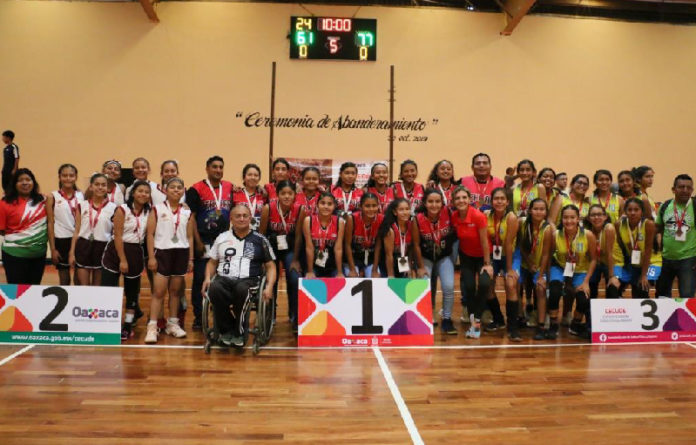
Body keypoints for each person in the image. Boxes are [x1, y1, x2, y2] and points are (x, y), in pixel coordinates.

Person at [202, 205, 277, 347]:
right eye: (238, 216)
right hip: (224, 278)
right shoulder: (222, 237)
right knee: (214, 288)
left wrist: (269, 286)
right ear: (231, 219)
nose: (241, 218)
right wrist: (207, 279)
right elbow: (212, 263)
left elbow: (271, 266)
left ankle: (239, 332)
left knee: (242, 290)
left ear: (250, 218)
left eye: (245, 215)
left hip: (249, 280)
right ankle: (227, 329)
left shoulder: (260, 239)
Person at [186, 155, 234, 330]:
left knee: (222, 278)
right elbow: (190, 218)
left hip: (224, 240)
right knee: (200, 278)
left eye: (221, 167)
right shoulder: (196, 189)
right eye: (214, 167)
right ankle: (199, 316)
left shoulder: (229, 187)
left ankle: (219, 314)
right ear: (207, 168)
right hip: (204, 240)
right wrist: (197, 241)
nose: (218, 170)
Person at [145, 177, 194, 343]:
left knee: (175, 292)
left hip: (181, 252)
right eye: (172, 187)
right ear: (165, 190)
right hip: (162, 252)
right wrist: (151, 256)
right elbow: (149, 234)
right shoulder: (157, 209)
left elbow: (189, 236)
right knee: (158, 292)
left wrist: (191, 258)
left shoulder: (187, 211)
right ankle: (152, 327)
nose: (176, 190)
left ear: (183, 191)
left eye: (179, 188)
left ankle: (173, 323)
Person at [101, 180, 151, 340]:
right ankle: (110, 324)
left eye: (146, 192)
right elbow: (117, 236)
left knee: (132, 293)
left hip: (136, 252)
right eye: (140, 191)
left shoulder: (149, 212)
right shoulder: (122, 209)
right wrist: (122, 259)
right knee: (110, 290)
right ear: (133, 193)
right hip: (116, 252)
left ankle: (128, 325)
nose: (143, 194)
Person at [259, 180, 304, 330]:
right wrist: (263, 258)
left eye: (290, 193)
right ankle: (270, 314)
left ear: (295, 195)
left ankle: (294, 314)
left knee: (294, 278)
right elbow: (262, 235)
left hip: (290, 248)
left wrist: (296, 259)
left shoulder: (300, 209)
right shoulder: (268, 208)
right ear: (277, 195)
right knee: (272, 279)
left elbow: (298, 236)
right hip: (271, 248)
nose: (286, 196)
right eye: (283, 193)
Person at [548, 205, 597, 340]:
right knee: (554, 291)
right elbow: (549, 255)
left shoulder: (588, 235)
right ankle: (553, 325)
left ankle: (575, 325)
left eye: (572, 217)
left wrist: (586, 281)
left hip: (580, 270)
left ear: (578, 219)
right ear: (561, 219)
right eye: (565, 218)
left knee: (583, 298)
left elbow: (593, 260)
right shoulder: (555, 235)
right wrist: (545, 276)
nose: (569, 221)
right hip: (559, 267)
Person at [412, 189, 457, 334]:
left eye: (437, 201)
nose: (434, 205)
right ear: (424, 203)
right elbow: (416, 245)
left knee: (449, 286)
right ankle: (424, 317)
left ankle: (447, 319)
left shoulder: (449, 213)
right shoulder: (417, 219)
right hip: (426, 258)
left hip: (444, 257)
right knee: (423, 283)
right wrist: (419, 266)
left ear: (442, 203)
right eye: (430, 201)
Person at [451, 186, 493, 339]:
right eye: (457, 198)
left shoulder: (478, 216)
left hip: (483, 257)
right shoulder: (454, 217)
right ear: (454, 201)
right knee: (468, 288)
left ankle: (477, 322)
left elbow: (484, 242)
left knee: (483, 285)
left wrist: (487, 264)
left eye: (464, 197)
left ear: (469, 199)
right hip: (467, 257)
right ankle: (473, 322)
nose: (461, 200)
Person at [484, 188, 522, 341]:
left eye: (502, 199)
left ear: (507, 202)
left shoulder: (512, 217)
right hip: (495, 255)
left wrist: (509, 269)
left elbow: (507, 244)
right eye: (496, 198)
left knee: (510, 283)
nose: (499, 201)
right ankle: (498, 319)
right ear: (491, 201)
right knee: (486, 283)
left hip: (511, 255)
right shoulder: (487, 215)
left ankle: (513, 327)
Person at [0, 168, 47, 284]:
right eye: (20, 180)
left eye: (28, 179)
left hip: (38, 255)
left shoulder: (44, 201)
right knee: (16, 293)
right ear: (15, 184)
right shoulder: (4, 203)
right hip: (13, 255)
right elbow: (1, 230)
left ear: (33, 183)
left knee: (33, 291)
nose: (25, 183)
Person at [69, 173, 117, 285]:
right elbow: (76, 231)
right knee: (84, 286)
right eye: (97, 184)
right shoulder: (82, 205)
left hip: (103, 247)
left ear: (107, 188)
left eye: (103, 185)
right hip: (83, 246)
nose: (100, 187)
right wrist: (71, 253)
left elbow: (115, 233)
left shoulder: (113, 208)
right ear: (91, 187)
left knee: (97, 288)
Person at [517, 198, 553, 340]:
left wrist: (540, 275)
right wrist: (528, 262)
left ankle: (541, 324)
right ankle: (520, 317)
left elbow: (545, 255)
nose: (538, 212)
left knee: (540, 287)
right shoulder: (523, 224)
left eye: (542, 209)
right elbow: (520, 246)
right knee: (515, 283)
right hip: (525, 263)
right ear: (530, 210)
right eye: (536, 209)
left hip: (540, 266)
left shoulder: (548, 229)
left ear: (546, 212)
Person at [656, 174, 696, 297]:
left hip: (688, 259)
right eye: (681, 187)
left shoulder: (695, 206)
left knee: (687, 296)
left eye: (689, 188)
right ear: (673, 189)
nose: (685, 190)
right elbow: (659, 228)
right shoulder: (665, 206)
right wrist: (658, 249)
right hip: (665, 259)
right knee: (662, 295)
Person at [613, 198, 659, 298]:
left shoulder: (648, 224)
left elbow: (648, 252)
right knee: (614, 286)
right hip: (633, 262)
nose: (633, 213)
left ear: (642, 212)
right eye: (629, 210)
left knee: (642, 286)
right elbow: (620, 247)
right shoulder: (618, 225)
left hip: (651, 262)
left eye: (636, 210)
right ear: (625, 212)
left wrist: (643, 275)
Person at [46, 164, 83, 285]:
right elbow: (50, 223)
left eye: (71, 175)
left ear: (76, 177)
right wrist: (52, 248)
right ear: (59, 177)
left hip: (79, 239)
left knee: (79, 278)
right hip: (61, 239)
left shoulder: (81, 195)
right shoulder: (52, 196)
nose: (68, 178)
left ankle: (78, 303)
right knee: (64, 279)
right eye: (64, 175)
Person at [303, 192, 345, 278]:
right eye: (322, 203)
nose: (326, 206)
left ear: (334, 206)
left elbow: (338, 248)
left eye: (329, 204)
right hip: (314, 264)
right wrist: (310, 271)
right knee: (311, 284)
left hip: (332, 264)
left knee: (339, 282)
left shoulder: (339, 222)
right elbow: (309, 247)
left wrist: (340, 272)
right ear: (317, 205)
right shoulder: (308, 221)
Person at [344, 193, 384, 278]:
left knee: (375, 278)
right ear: (360, 206)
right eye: (367, 206)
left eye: (374, 206)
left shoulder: (381, 219)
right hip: (353, 258)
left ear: (378, 206)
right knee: (353, 277)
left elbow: (378, 246)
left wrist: (375, 269)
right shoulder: (352, 218)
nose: (371, 209)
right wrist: (352, 269)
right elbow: (347, 245)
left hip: (370, 259)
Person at [585, 204, 619, 300]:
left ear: (605, 217)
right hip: (596, 262)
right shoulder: (587, 232)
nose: (596, 217)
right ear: (588, 218)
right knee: (590, 290)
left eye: (599, 214)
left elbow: (610, 253)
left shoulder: (608, 228)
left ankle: (612, 313)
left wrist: (611, 276)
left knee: (612, 289)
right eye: (593, 215)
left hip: (612, 262)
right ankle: (590, 314)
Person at [379, 198, 418, 278]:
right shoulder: (391, 229)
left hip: (403, 260)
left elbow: (410, 250)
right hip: (388, 262)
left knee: (408, 278)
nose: (405, 212)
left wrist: (409, 267)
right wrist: (391, 275)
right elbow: (388, 255)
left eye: (407, 209)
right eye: (401, 210)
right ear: (395, 212)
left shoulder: (411, 226)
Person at [233, 163, 265, 230]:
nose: (253, 177)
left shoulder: (263, 194)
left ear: (259, 178)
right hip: (240, 232)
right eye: (249, 175)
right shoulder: (236, 194)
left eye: (256, 175)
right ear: (244, 177)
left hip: (258, 233)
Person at [2, 130, 19, 195]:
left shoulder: (14, 147)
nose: (2, 139)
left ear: (8, 138)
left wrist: (15, 169)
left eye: (3, 137)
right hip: (5, 170)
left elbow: (16, 158)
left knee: (11, 185)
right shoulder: (5, 148)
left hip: (11, 170)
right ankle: (6, 197)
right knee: (4, 185)